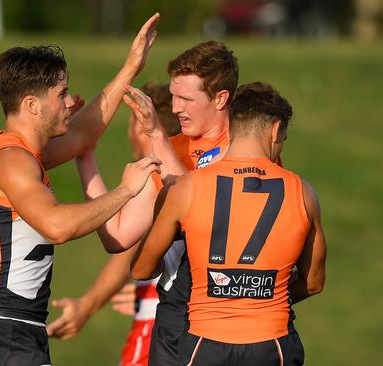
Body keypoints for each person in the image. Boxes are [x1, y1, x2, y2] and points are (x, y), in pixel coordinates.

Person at [0, 14, 161, 366]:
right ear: (33, 106)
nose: (70, 102)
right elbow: (57, 226)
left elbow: (84, 134)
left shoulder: (25, 154)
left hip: (16, 330)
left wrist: (131, 68)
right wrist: (125, 191)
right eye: (62, 94)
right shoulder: (11, 160)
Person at [131, 82, 327, 365]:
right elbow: (314, 281)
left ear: (232, 126)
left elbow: (141, 268)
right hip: (272, 343)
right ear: (275, 130)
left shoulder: (187, 188)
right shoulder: (303, 193)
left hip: (204, 342)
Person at [46, 83, 180, 366]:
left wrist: (85, 153)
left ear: (139, 124)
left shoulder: (157, 175)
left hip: (159, 331)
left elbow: (118, 239)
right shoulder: (192, 164)